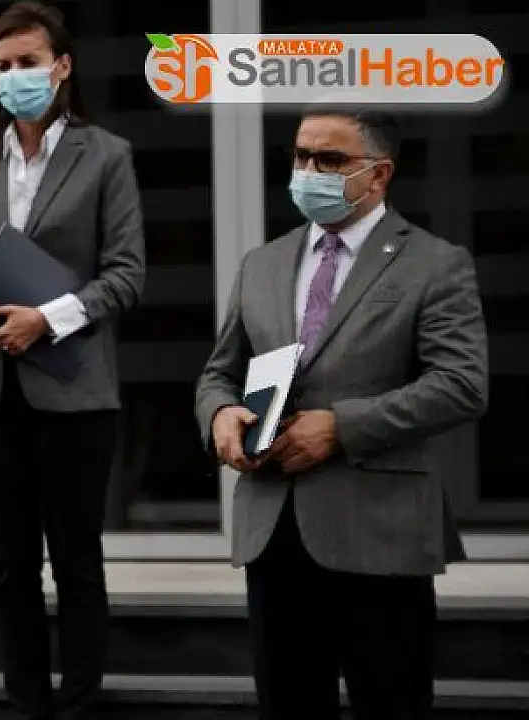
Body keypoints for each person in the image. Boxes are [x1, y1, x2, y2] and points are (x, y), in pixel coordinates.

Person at [195, 108, 488, 719]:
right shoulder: (262, 263)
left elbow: (461, 384)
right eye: (301, 156)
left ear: (379, 174)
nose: (309, 171)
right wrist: (220, 414)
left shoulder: (435, 263)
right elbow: (220, 372)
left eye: (329, 160)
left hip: (380, 533)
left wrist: (342, 427)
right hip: (275, 531)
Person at [0, 3, 145, 717]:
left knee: (77, 565)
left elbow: (126, 275)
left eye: (28, 62)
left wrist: (45, 319)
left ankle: (79, 706)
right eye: (3, 66)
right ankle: (27, 705)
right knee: (9, 570)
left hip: (75, 391)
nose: (15, 76)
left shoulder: (106, 155)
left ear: (62, 66)